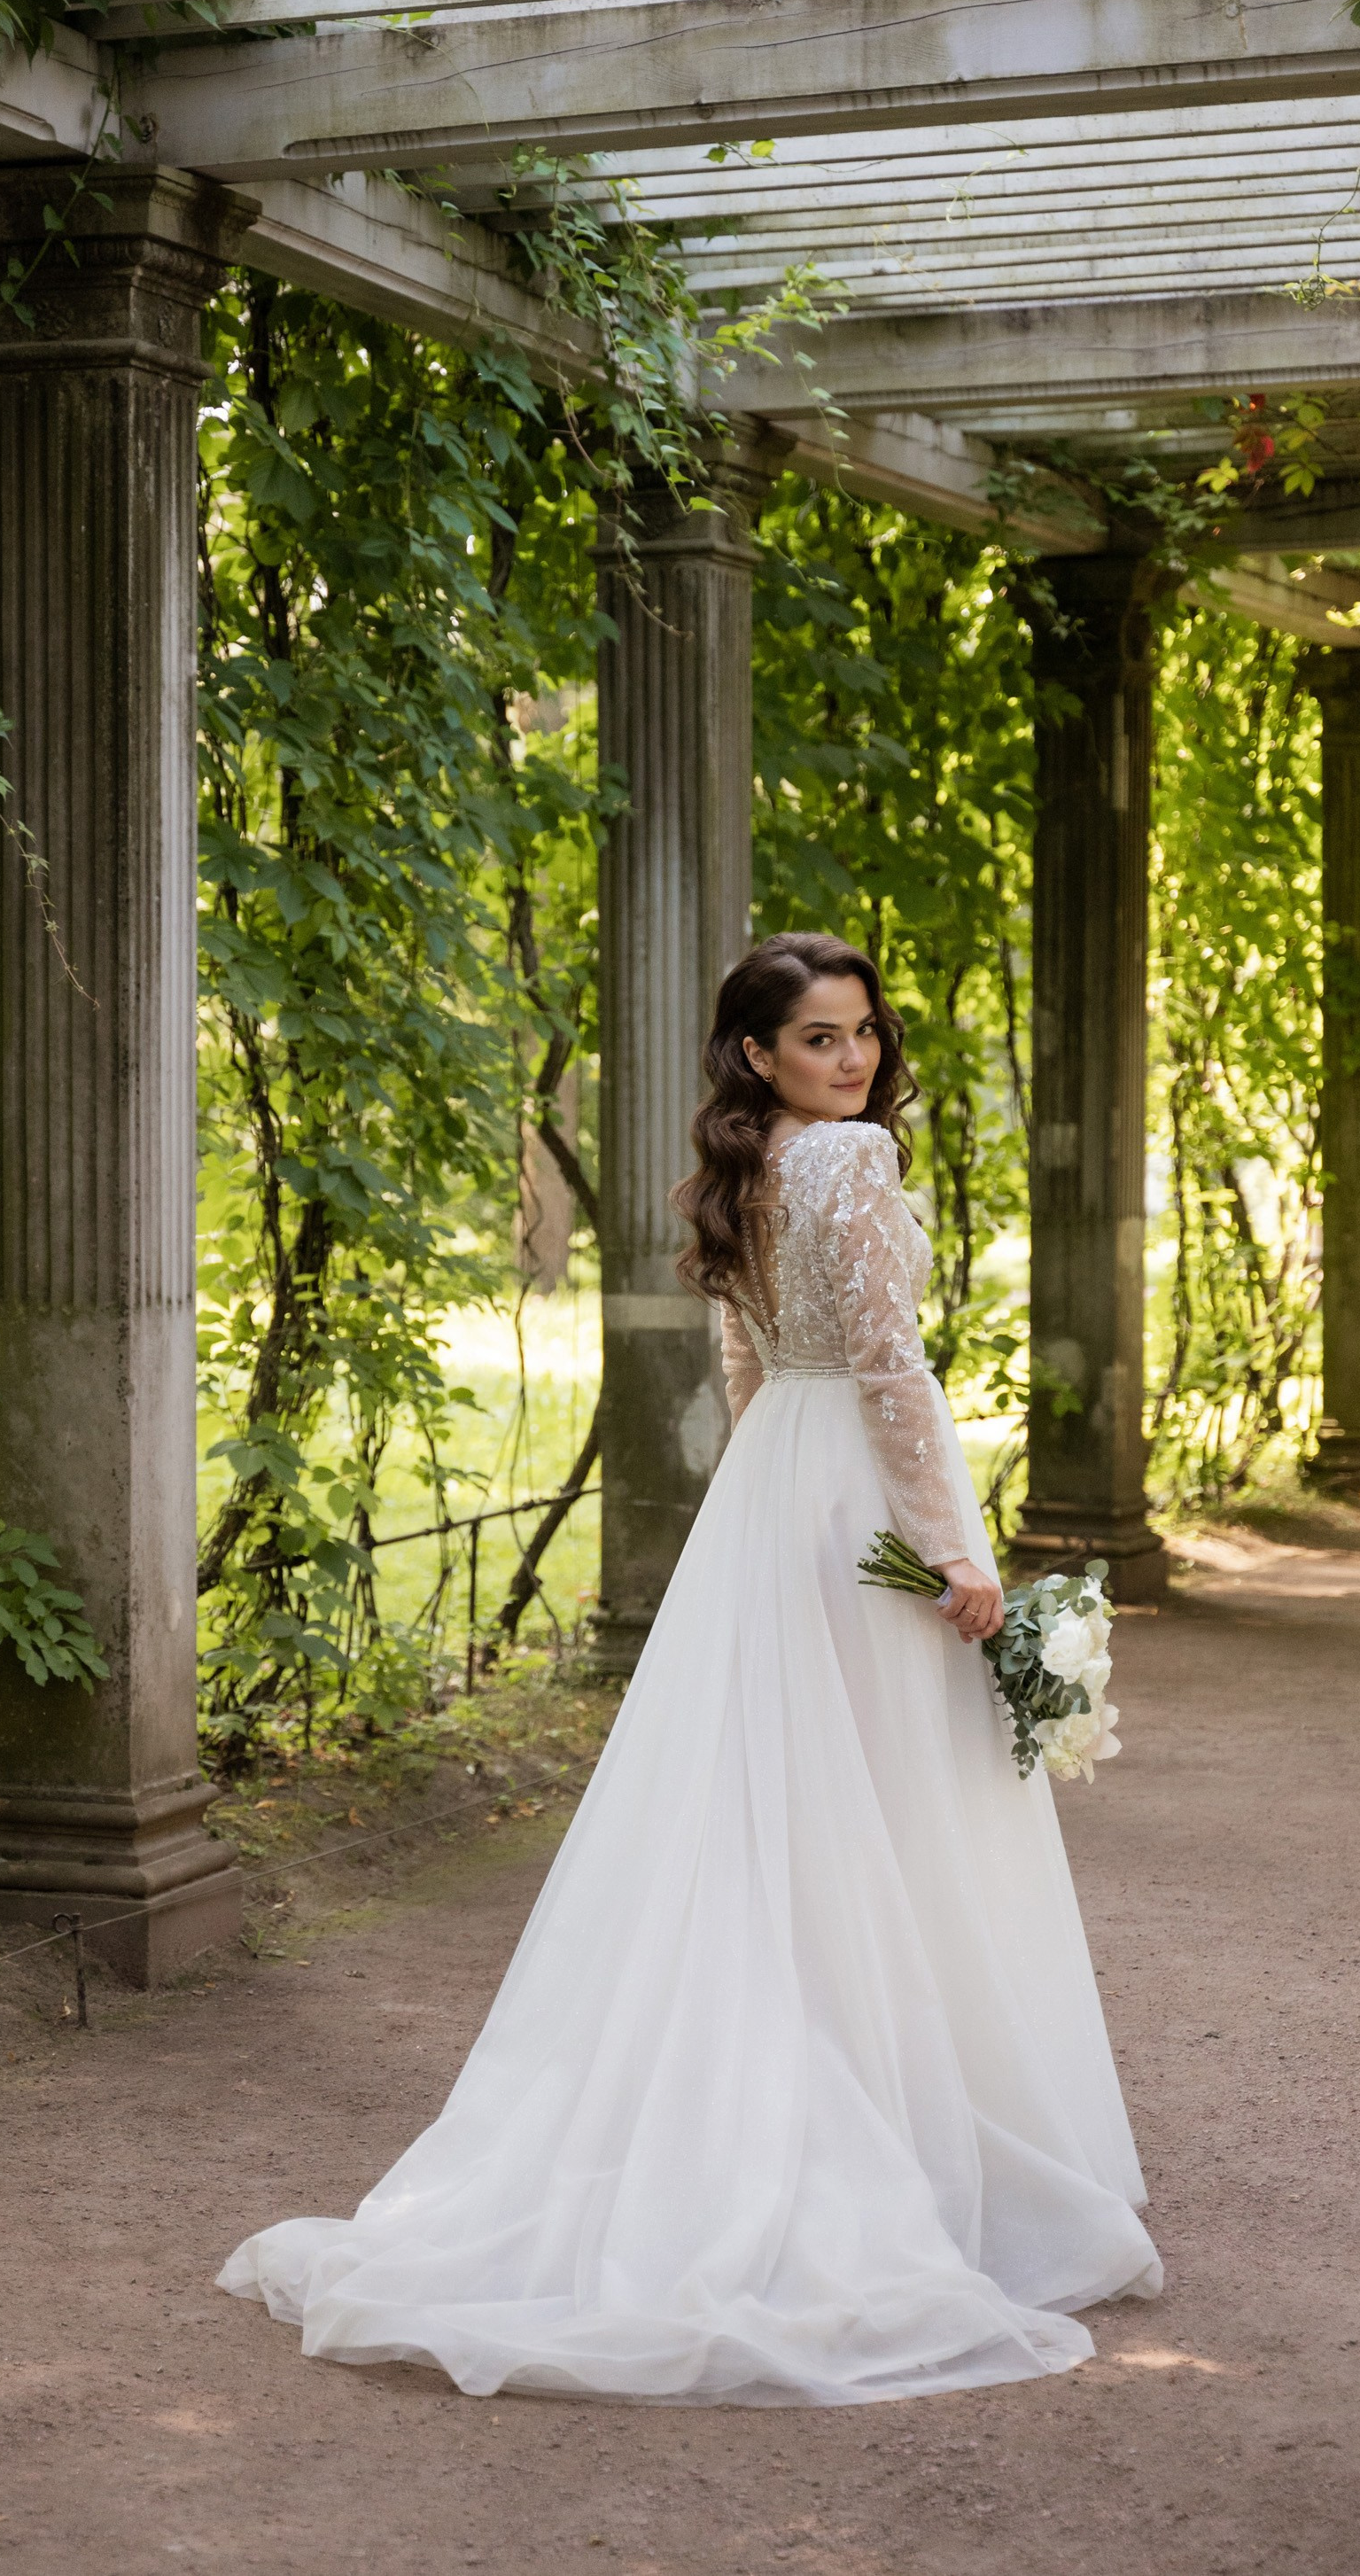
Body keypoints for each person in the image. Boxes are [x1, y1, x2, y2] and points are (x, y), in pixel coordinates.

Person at [218, 931, 1161, 2403]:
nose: (851, 1061)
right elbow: (892, 1369)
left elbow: (744, 1367)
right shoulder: (849, 1168)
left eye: (861, 1034)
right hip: (860, 1490)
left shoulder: (747, 1175)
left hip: (780, 1496)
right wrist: (955, 1553)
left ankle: (830, 2108)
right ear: (757, 1057)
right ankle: (895, 2142)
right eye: (819, 1041)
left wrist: (771, 1505)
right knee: (891, 1808)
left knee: (778, 1813)